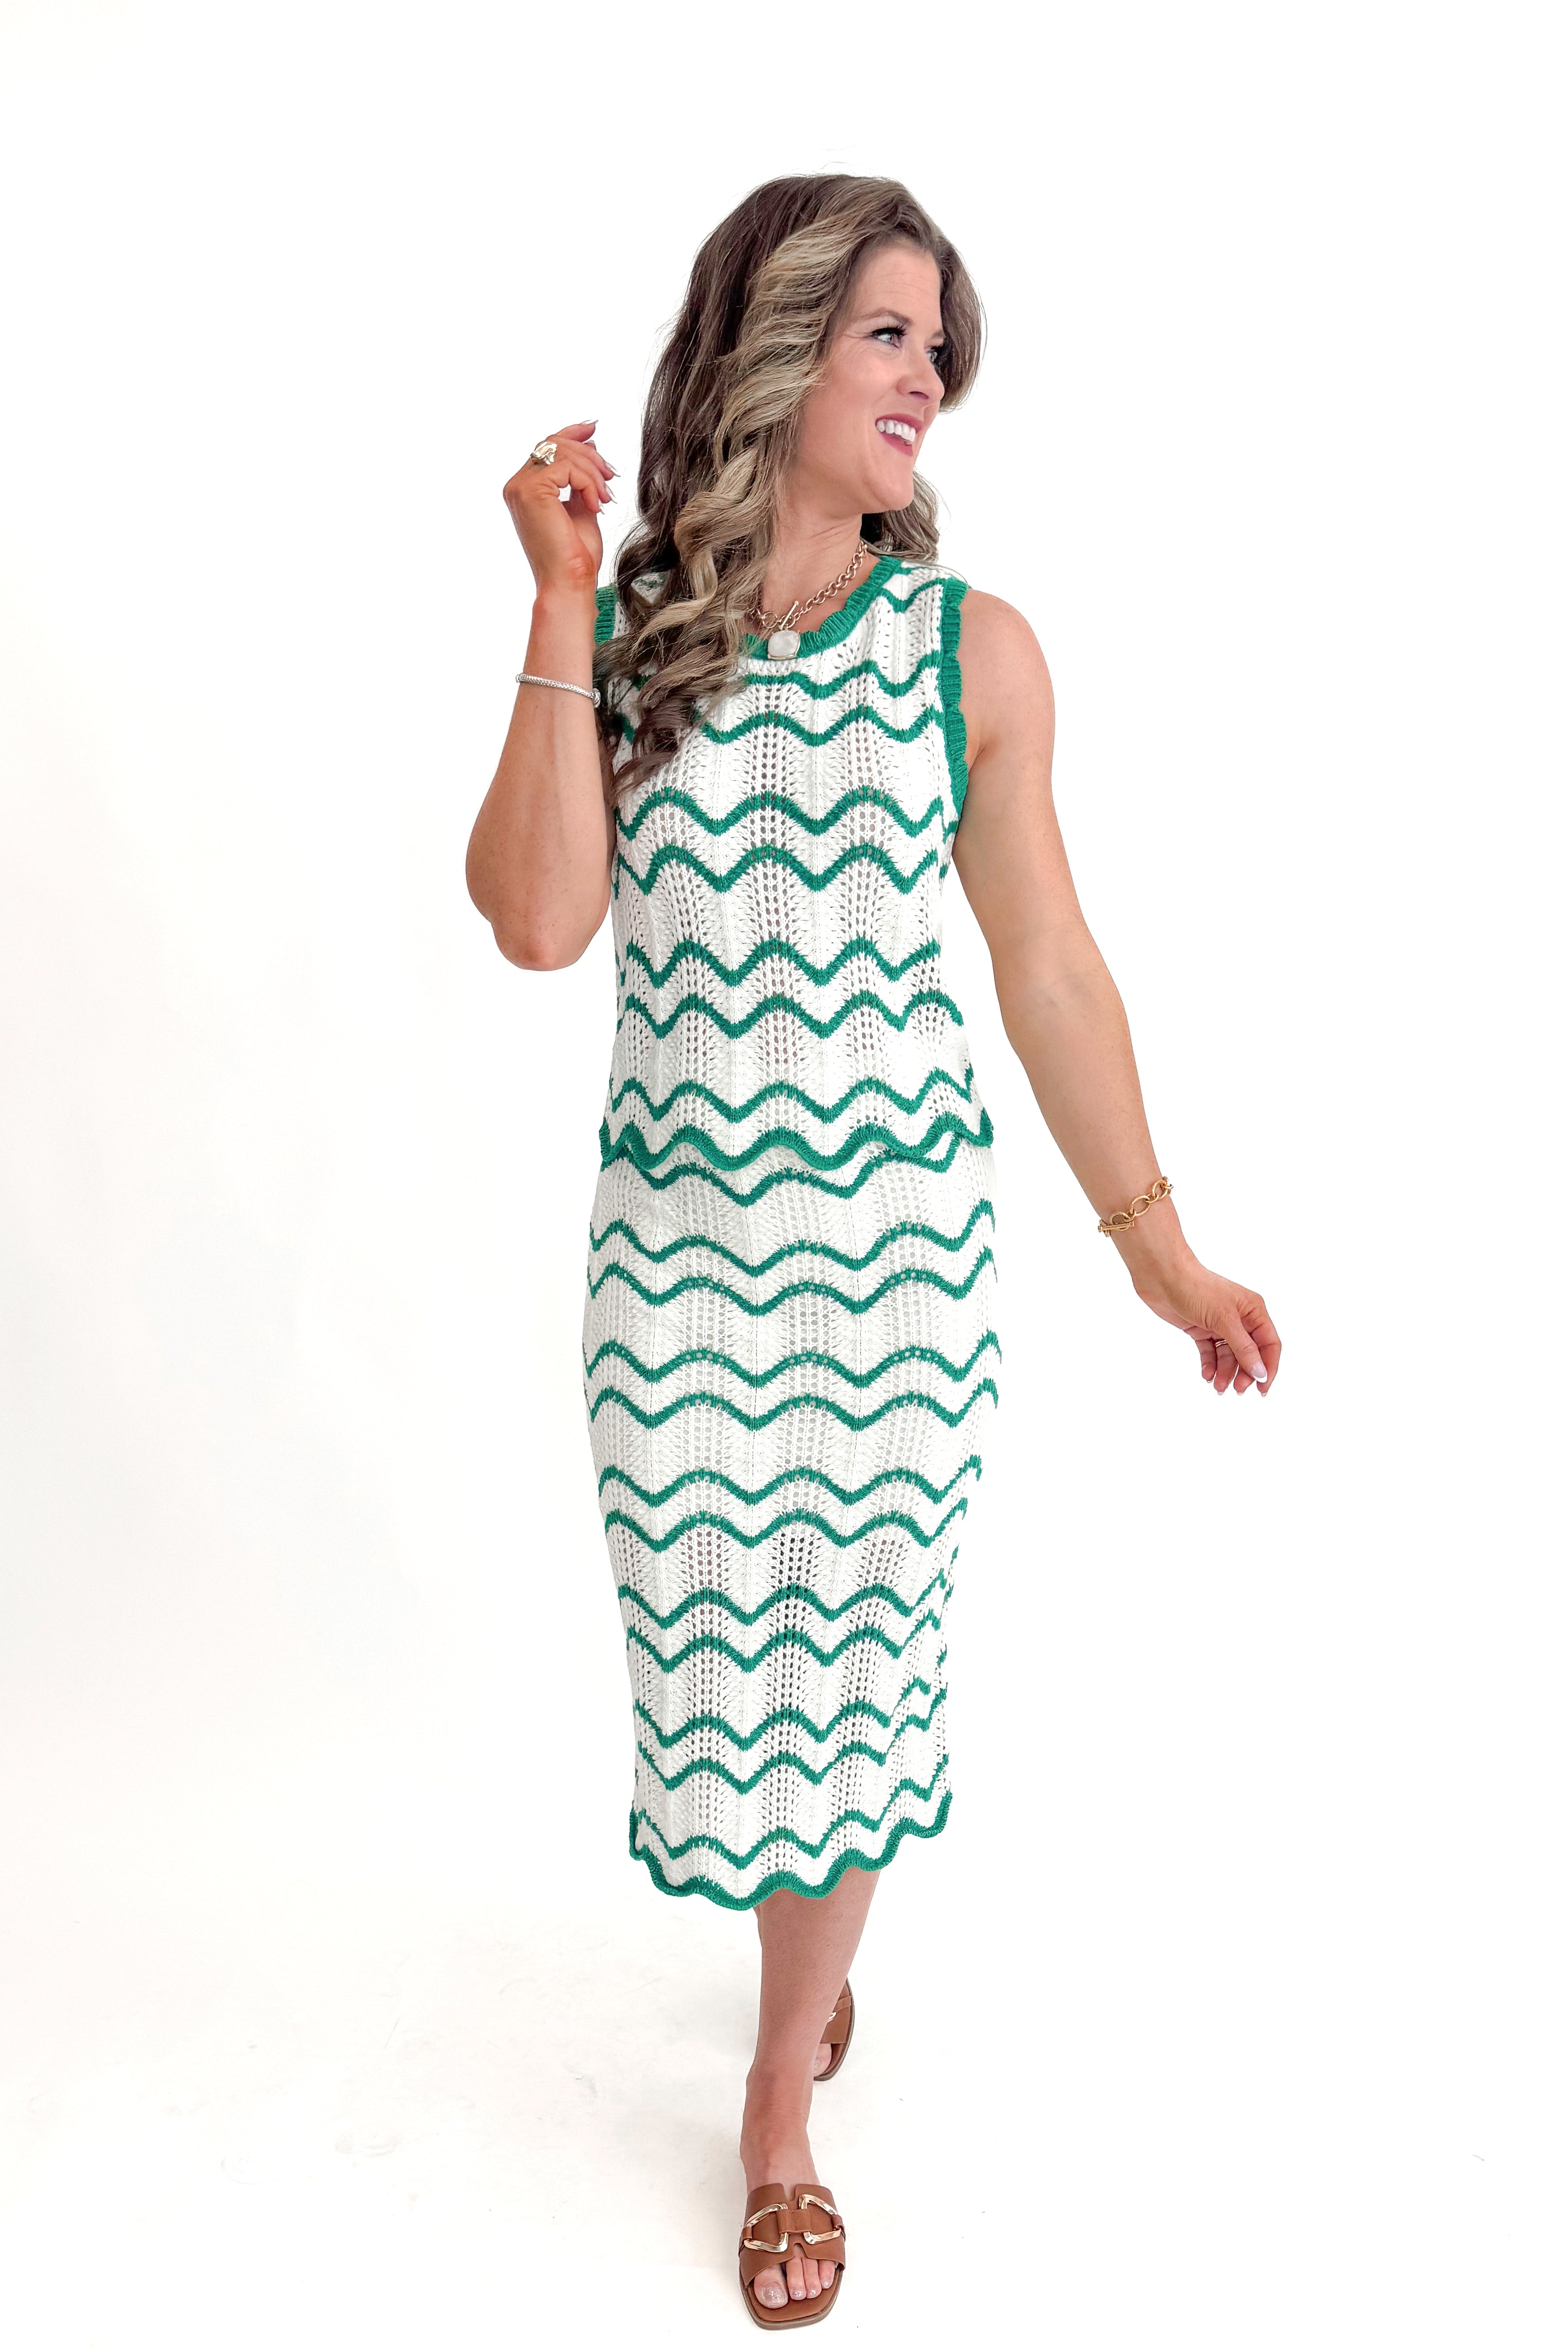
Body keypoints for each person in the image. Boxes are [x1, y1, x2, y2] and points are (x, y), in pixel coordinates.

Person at [466, 172, 1280, 2329]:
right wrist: (557, 602)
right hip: (674, 1287)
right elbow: (539, 923)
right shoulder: (634, 619)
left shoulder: (973, 654)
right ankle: (796, 1995)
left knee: (841, 1686)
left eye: (936, 340)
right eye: (887, 336)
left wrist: (1154, 1250)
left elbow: (1048, 966)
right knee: (723, 1693)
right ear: (775, 349)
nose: (928, 377)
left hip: (899, 1286)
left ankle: (771, 2105)